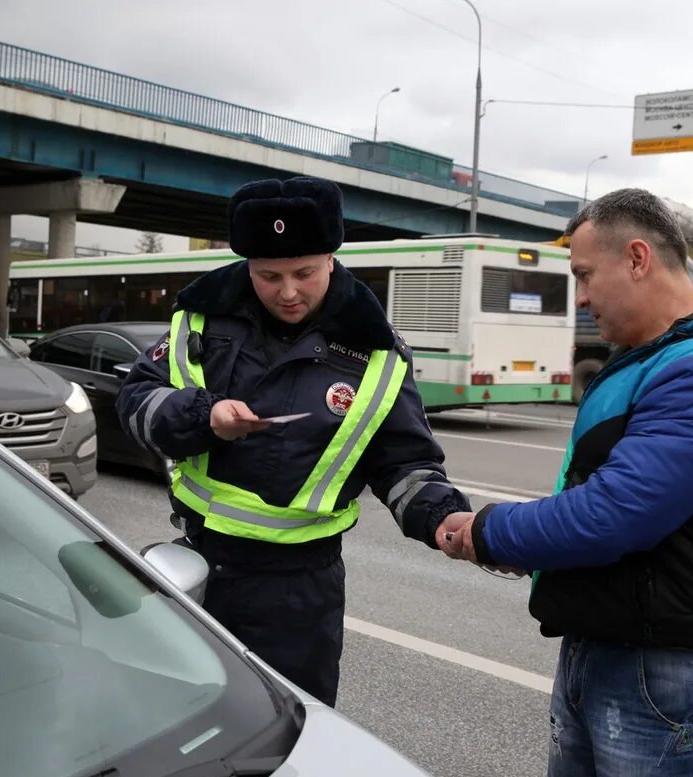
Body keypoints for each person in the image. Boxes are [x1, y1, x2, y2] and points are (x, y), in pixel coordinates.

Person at [438, 188, 693, 777]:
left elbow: (615, 514)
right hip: (609, 645)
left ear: (636, 259)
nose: (580, 299)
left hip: (663, 668)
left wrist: (488, 531)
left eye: (583, 276)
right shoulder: (657, 356)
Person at [117, 176, 470, 707]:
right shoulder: (198, 321)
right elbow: (136, 403)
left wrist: (442, 515)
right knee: (187, 727)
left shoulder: (378, 351)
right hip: (197, 564)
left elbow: (404, 461)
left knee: (292, 733)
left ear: (331, 258)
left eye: (305, 273)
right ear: (247, 267)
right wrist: (203, 414)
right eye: (268, 275)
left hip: (300, 591)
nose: (288, 292)